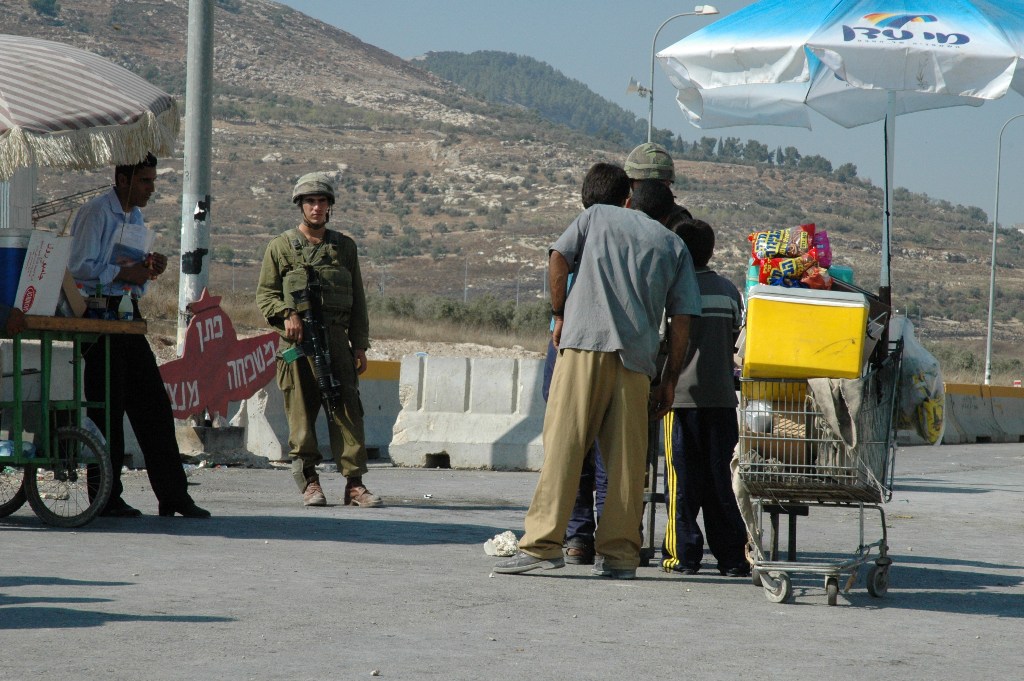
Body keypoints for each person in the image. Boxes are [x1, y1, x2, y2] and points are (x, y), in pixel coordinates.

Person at [494, 169, 701, 579]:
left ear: (629, 201)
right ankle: (621, 556)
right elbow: (682, 321)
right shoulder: (674, 244)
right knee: (625, 465)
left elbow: (558, 256)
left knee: (565, 447)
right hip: (637, 364)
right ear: (668, 213)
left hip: (584, 347)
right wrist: (670, 379)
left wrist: (558, 314)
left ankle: (542, 546)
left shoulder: (595, 218)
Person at [68, 153, 210, 518]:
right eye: (145, 181)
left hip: (127, 315)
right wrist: (120, 273)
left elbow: (128, 269)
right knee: (107, 408)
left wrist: (147, 268)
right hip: (98, 317)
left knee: (154, 406)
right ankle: (105, 496)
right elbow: (78, 267)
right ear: (123, 179)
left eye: (152, 180)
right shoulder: (96, 213)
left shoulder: (134, 217)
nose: (151, 188)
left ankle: (174, 495)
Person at [256, 172, 382, 508]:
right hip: (296, 344)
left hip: (337, 341)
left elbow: (358, 301)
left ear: (329, 207)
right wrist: (287, 314)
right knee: (300, 413)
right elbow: (265, 294)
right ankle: (309, 481)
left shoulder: (344, 248)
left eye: (322, 201)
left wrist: (359, 345)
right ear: (300, 206)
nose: (316, 207)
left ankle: (354, 484)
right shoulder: (280, 247)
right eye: (310, 201)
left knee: (347, 409)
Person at [660, 218, 749, 577]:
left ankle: (683, 555)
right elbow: (732, 341)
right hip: (722, 401)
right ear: (711, 251)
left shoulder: (671, 291)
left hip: (679, 402)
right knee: (722, 483)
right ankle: (731, 557)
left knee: (681, 483)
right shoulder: (729, 291)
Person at [624, 141, 693, 226]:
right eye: (646, 183)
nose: (651, 189)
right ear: (631, 183)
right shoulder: (620, 211)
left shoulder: (678, 220)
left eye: (658, 183)